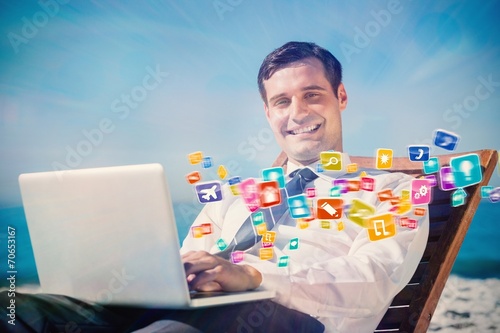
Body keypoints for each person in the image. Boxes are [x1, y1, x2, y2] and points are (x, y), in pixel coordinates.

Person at [0, 41, 429, 333]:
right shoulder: (234, 198)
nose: (296, 112)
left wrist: (253, 275)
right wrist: (164, 273)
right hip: (198, 313)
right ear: (267, 113)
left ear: (342, 97)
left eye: (312, 95)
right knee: (16, 310)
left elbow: (371, 280)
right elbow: (190, 262)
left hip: (292, 320)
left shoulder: (394, 191)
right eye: (282, 101)